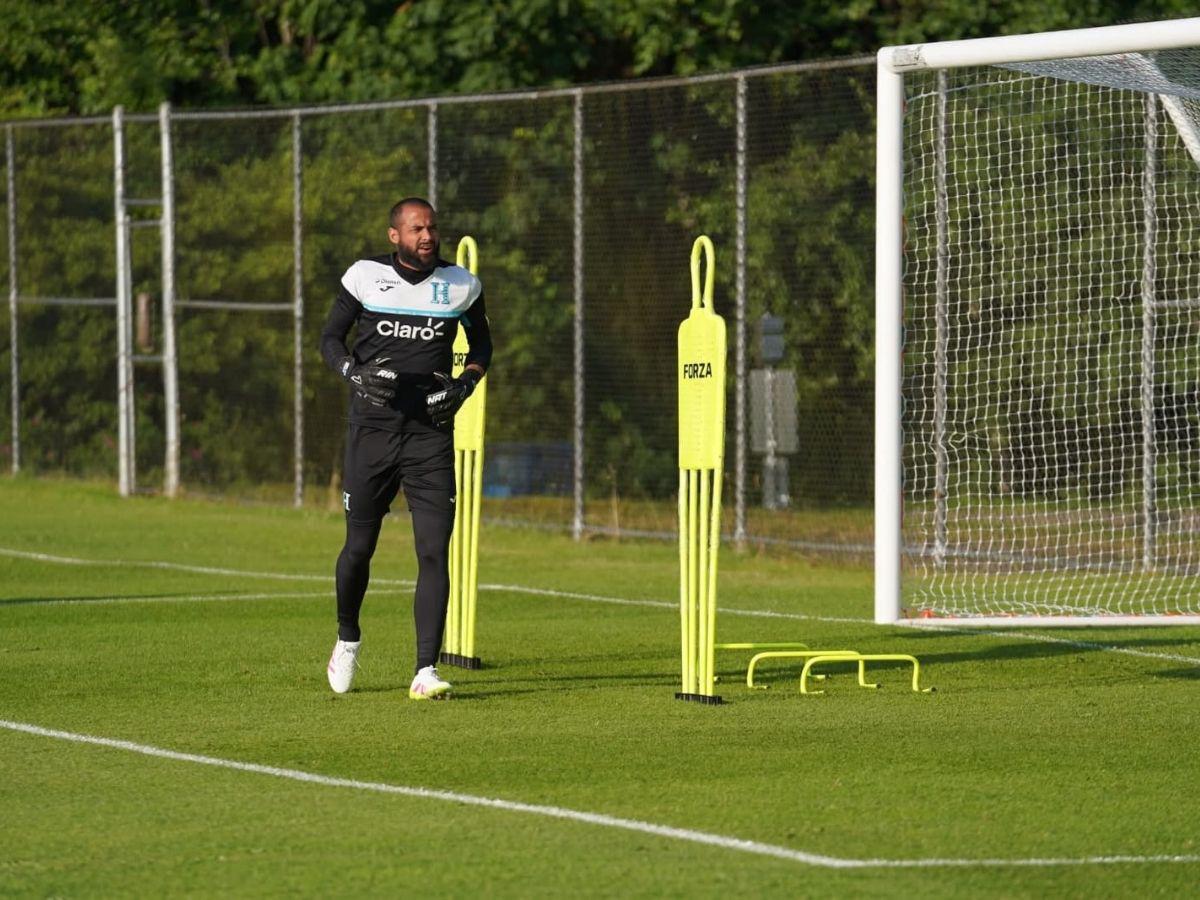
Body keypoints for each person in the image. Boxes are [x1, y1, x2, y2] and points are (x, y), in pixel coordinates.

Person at [319, 198, 492, 700]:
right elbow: (330, 337)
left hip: (430, 437)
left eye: (433, 227)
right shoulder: (364, 275)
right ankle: (347, 638)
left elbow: (482, 345)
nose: (428, 235)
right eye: (417, 228)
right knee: (359, 547)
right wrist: (353, 371)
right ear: (395, 235)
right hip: (371, 432)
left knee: (434, 550)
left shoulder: (460, 284)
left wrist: (465, 385)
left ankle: (425, 670)